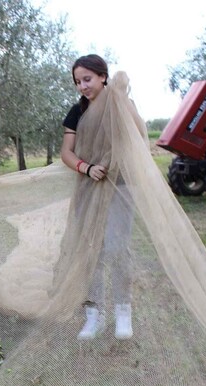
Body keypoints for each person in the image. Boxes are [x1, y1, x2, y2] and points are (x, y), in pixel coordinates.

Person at [60, 55, 139, 341]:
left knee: (118, 248)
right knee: (89, 250)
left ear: (103, 76)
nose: (82, 86)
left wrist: (122, 100)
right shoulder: (76, 112)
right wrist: (87, 167)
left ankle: (122, 311)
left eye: (87, 79)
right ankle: (94, 313)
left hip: (120, 187)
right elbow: (67, 153)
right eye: (78, 81)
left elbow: (137, 138)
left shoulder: (120, 106)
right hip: (88, 187)